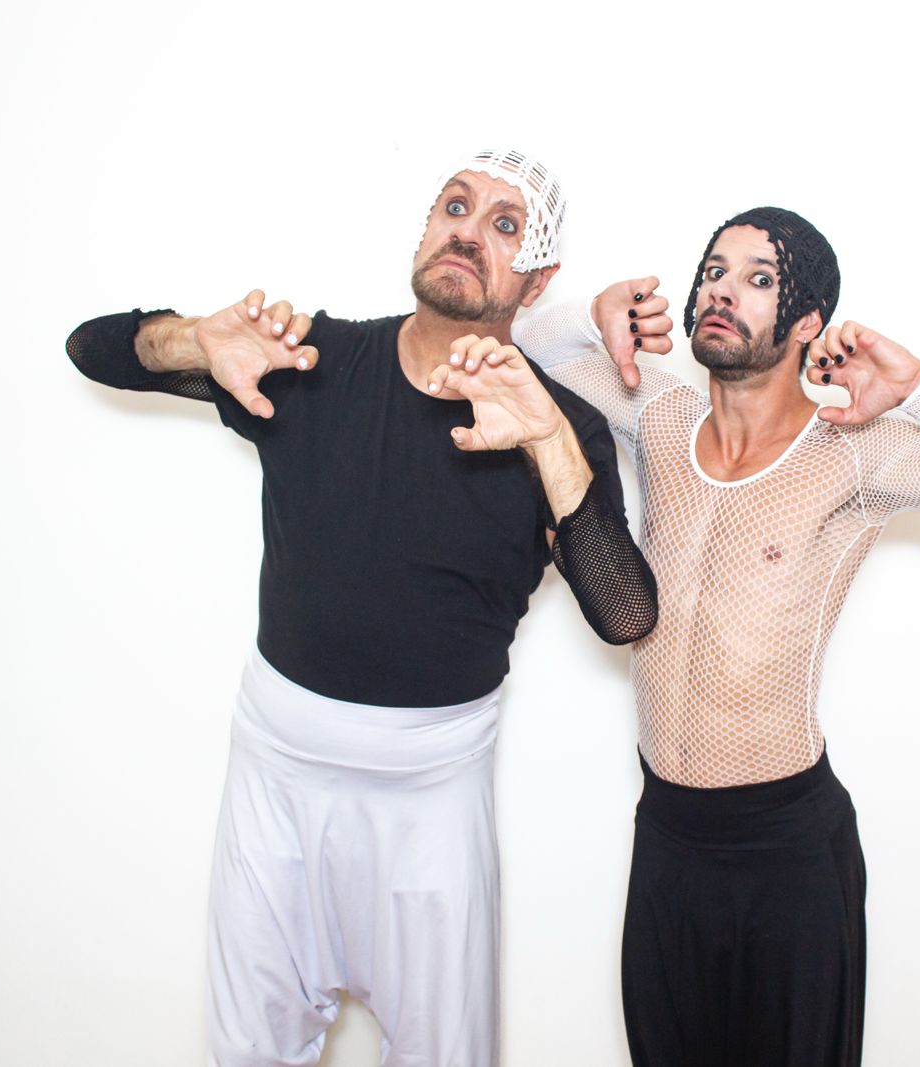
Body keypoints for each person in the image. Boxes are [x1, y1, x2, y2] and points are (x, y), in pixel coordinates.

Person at [64, 149, 656, 1067]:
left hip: (430, 806)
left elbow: (625, 614)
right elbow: (93, 347)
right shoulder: (313, 359)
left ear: (537, 280)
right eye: (454, 206)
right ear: (423, 232)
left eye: (505, 225)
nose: (468, 230)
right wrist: (194, 338)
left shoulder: (556, 423)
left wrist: (546, 439)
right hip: (274, 784)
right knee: (249, 1051)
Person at [459, 205, 920, 1066]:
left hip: (788, 850)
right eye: (714, 271)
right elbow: (526, 348)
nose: (723, 290)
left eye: (759, 279)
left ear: (808, 321)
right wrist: (594, 315)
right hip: (668, 837)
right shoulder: (661, 415)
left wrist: (918, 388)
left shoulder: (852, 451)